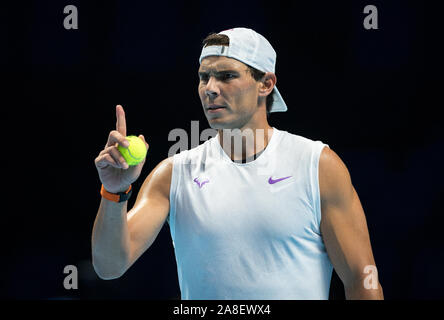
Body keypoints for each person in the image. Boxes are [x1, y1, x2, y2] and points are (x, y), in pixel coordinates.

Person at [92, 27, 384, 300]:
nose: (210, 88)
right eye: (204, 77)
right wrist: (115, 193)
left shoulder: (318, 166)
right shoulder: (173, 174)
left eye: (227, 76)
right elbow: (110, 265)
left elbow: (362, 280)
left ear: (266, 84)